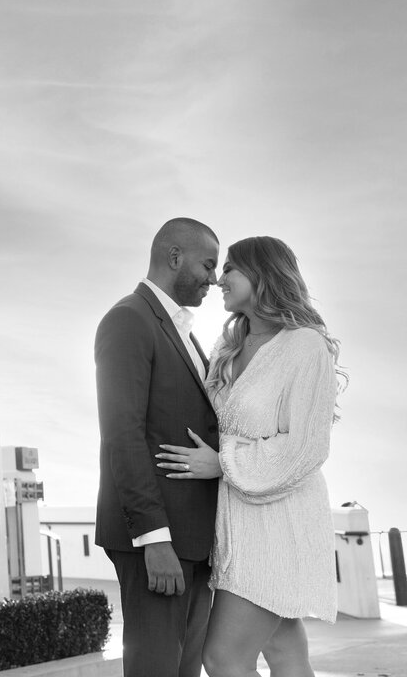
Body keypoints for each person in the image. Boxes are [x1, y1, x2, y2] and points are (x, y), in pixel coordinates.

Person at [157, 235, 343, 677]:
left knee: (223, 658)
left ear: (261, 276)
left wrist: (221, 463)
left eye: (229, 269)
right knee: (286, 655)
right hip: (235, 526)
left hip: (280, 527)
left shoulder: (305, 347)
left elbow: (306, 449)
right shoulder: (227, 349)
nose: (217, 279)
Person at [94, 217, 221, 677]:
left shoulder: (183, 329)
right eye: (208, 265)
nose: (214, 278)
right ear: (174, 256)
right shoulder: (128, 319)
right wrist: (154, 540)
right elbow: (122, 434)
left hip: (194, 542)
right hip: (160, 541)